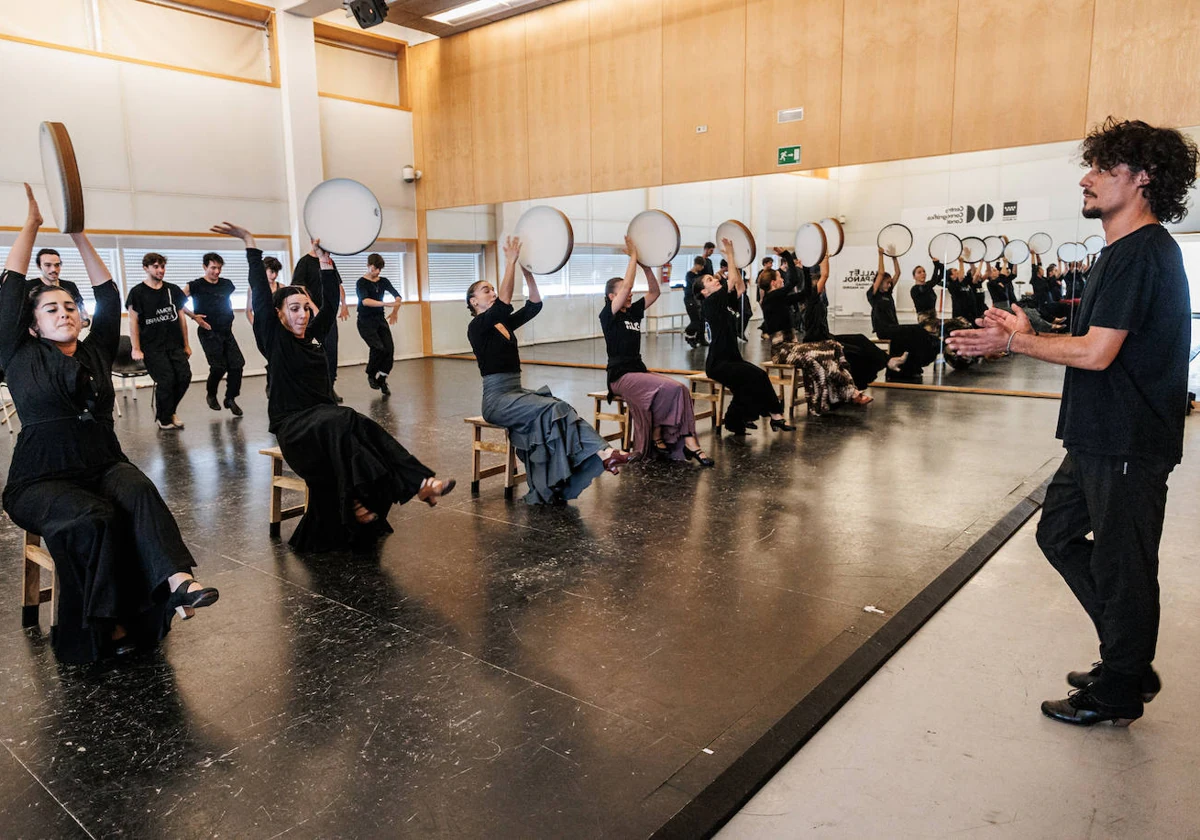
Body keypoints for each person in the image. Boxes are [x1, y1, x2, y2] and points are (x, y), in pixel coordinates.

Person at [947, 118, 1198, 727]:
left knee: (1123, 563)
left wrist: (1014, 348)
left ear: (1143, 179)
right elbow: (1093, 340)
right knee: (1058, 534)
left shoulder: (1143, 253)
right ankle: (1126, 660)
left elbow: (1097, 354)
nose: (1086, 179)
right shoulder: (1120, 254)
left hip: (1127, 440)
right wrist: (1033, 333)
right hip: (1098, 434)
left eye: (1102, 170)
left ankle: (1119, 685)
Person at [1, 186, 218, 663]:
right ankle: (107, 624)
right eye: (51, 309)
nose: (64, 313)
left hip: (102, 463)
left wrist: (79, 236)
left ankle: (178, 580)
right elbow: (12, 287)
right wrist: (32, 225)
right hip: (41, 478)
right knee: (93, 519)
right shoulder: (18, 354)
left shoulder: (97, 348)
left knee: (138, 491)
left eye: (69, 307)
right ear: (33, 325)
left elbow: (108, 293)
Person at [215, 222, 453, 551]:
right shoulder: (275, 340)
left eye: (304, 308)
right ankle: (390, 490)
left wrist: (325, 260)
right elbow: (259, 288)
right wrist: (250, 242)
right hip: (294, 429)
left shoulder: (313, 338)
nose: (301, 314)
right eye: (293, 309)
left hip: (325, 425)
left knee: (354, 423)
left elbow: (327, 306)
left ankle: (421, 484)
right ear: (280, 315)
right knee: (345, 418)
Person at [468, 236, 630, 505]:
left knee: (560, 405)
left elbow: (534, 305)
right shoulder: (478, 327)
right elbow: (505, 304)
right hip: (497, 399)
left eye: (492, 288)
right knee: (554, 409)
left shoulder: (502, 323)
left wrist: (526, 271)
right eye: (485, 290)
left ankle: (604, 454)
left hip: (515, 391)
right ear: (474, 302)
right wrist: (510, 261)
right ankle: (602, 453)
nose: (492, 291)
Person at [601, 239, 711, 465]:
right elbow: (629, 286)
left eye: (628, 290)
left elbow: (655, 291)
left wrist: (645, 266)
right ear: (612, 297)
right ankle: (669, 439)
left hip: (638, 372)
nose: (629, 293)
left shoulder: (633, 312)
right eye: (623, 291)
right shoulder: (609, 314)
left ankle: (689, 442)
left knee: (680, 389)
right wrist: (633, 256)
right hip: (620, 377)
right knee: (671, 387)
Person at [698, 238, 794, 434]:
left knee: (747, 386)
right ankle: (776, 416)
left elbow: (739, 287)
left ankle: (735, 420)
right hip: (718, 363)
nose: (715, 279)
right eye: (710, 280)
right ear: (703, 291)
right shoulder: (711, 302)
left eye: (713, 277)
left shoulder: (720, 301)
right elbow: (732, 281)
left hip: (731, 358)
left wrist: (734, 260)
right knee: (757, 376)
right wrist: (731, 255)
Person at [759, 252, 871, 415]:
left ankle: (842, 393)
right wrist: (787, 256)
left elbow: (805, 292)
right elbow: (794, 282)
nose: (782, 279)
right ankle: (831, 399)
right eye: (779, 277)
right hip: (781, 351)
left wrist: (804, 267)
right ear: (774, 282)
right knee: (819, 356)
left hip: (792, 346)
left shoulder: (780, 299)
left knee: (834, 345)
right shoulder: (770, 299)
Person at [786, 249, 889, 391]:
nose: (824, 288)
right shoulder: (811, 298)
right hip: (817, 341)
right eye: (821, 286)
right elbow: (825, 275)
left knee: (860, 338)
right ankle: (854, 385)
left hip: (827, 337)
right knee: (854, 352)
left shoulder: (817, 301)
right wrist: (825, 256)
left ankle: (888, 361)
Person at [126, 252, 197, 430]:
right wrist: (136, 348)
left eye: (163, 266)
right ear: (146, 268)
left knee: (184, 376)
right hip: (152, 347)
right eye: (156, 266)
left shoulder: (172, 290)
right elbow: (133, 321)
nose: (160, 270)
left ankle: (170, 411)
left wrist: (186, 344)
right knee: (166, 380)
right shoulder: (137, 292)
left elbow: (181, 318)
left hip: (174, 344)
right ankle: (164, 418)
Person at [182, 252, 244, 417]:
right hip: (208, 331)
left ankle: (230, 398)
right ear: (205, 267)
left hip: (226, 331)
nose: (216, 271)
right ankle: (211, 394)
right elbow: (177, 301)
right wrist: (194, 317)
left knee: (237, 364)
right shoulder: (195, 285)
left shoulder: (227, 284)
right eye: (213, 268)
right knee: (218, 366)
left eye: (219, 268)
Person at [867, 249, 939, 383]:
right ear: (879, 281)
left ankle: (910, 369)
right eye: (887, 282)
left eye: (890, 283)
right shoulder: (873, 295)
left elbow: (898, 273)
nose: (889, 285)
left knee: (914, 335)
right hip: (883, 329)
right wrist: (881, 255)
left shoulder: (887, 294)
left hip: (893, 327)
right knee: (916, 330)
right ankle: (912, 366)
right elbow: (881, 272)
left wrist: (894, 257)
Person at [291, 251, 349, 403]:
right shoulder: (304, 262)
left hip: (328, 314)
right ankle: (312, 389)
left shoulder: (329, 261)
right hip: (310, 317)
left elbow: (337, 284)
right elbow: (299, 288)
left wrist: (344, 304)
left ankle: (329, 387)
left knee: (331, 351)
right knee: (313, 352)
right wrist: (314, 308)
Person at [355, 253, 403, 395]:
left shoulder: (383, 281)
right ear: (369, 265)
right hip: (365, 321)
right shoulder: (361, 283)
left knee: (389, 350)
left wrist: (395, 311)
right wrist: (385, 303)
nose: (377, 272)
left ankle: (382, 379)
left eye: (379, 269)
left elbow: (397, 296)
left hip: (379, 320)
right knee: (378, 348)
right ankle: (371, 374)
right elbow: (365, 301)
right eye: (375, 269)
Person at [28, 248, 89, 326]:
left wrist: (84, 321)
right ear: (39, 266)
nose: (54, 269)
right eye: (48, 265)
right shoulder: (29, 286)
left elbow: (82, 310)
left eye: (57, 265)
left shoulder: (70, 286)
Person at [683, 256, 708, 348]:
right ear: (697, 265)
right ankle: (688, 334)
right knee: (695, 321)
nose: (702, 268)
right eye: (701, 266)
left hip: (697, 300)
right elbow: (697, 285)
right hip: (690, 300)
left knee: (701, 320)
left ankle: (696, 338)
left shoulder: (698, 275)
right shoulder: (689, 275)